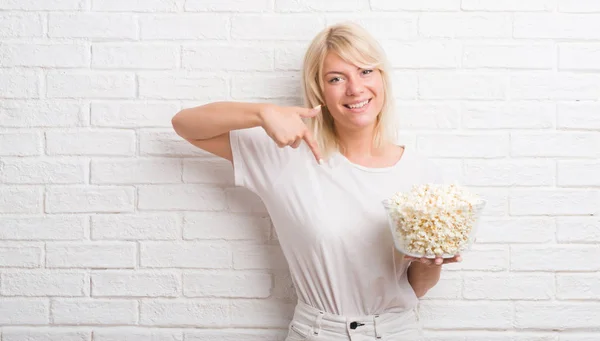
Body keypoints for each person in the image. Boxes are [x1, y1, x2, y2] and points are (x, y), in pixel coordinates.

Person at [172, 22, 461, 341]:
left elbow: (415, 287)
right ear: (319, 90)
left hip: (398, 331)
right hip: (317, 333)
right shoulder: (284, 156)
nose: (355, 89)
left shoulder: (421, 173)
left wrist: (432, 263)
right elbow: (185, 125)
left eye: (365, 71)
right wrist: (261, 113)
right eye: (336, 78)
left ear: (382, 78)